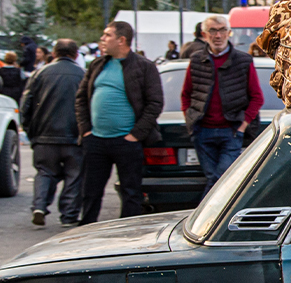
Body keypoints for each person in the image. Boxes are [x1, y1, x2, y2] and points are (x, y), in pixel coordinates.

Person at [75, 20, 164, 224]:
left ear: (121, 40)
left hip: (126, 141)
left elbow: (155, 103)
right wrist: (86, 130)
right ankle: (86, 230)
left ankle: (128, 231)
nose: (102, 39)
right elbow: (81, 98)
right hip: (96, 140)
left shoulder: (144, 67)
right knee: (90, 190)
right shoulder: (98, 64)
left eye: (107, 35)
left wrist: (135, 135)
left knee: (130, 191)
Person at [180, 15, 265, 192]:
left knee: (221, 179)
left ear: (229, 33)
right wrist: (190, 119)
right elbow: (186, 94)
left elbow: (257, 97)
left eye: (222, 30)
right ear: (204, 34)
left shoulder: (243, 61)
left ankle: (201, 218)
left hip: (231, 131)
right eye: (212, 31)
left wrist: (242, 126)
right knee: (214, 178)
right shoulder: (196, 59)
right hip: (203, 131)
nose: (217, 36)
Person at [19, 39, 85, 227]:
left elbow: (26, 105)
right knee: (75, 175)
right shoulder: (83, 74)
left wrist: (31, 132)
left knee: (44, 172)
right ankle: (69, 215)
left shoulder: (39, 73)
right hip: (74, 136)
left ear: (54, 54)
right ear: (76, 55)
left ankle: (39, 206)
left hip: (44, 135)